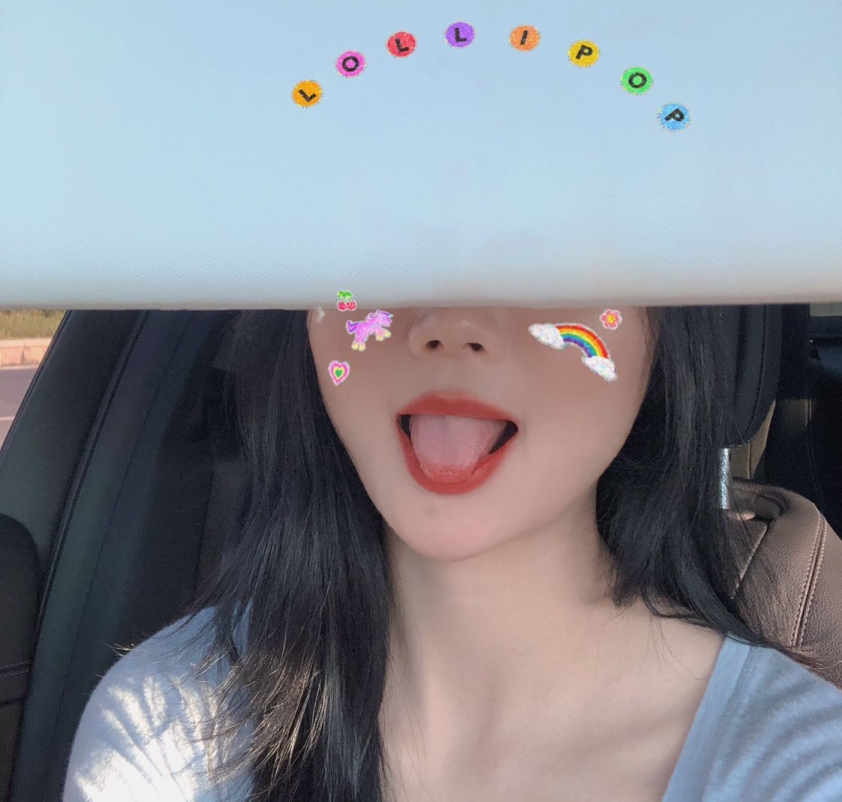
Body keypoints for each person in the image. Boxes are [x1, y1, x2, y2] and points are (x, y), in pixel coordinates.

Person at [64, 305, 842, 801]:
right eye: (385, 242)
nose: (450, 325)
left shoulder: (803, 766)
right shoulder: (171, 730)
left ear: (663, 327)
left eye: (546, 256)